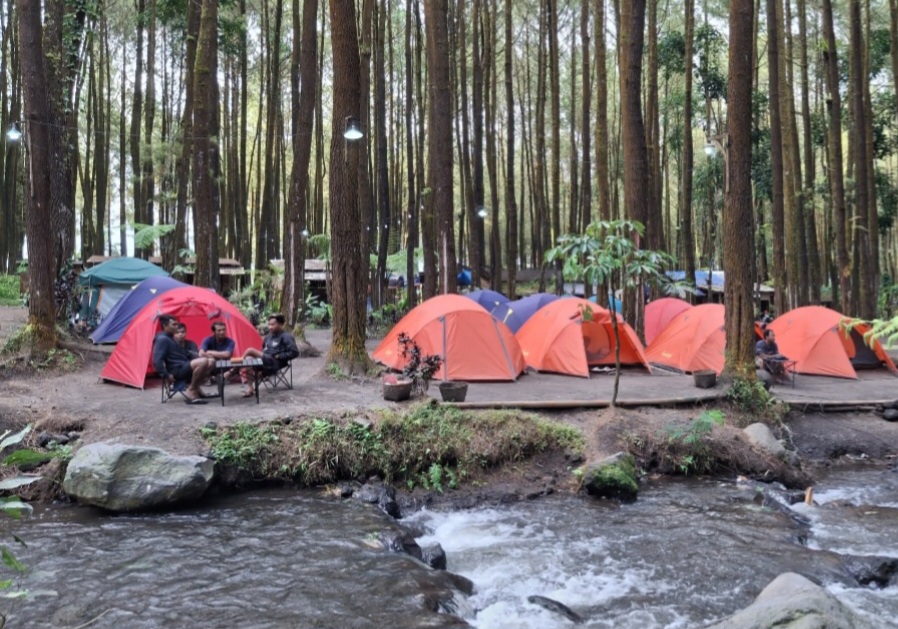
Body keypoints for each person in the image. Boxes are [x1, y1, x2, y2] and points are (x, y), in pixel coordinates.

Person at [152, 315, 215, 404]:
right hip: (176, 370)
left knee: (211, 361)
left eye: (176, 324)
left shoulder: (172, 338)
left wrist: (201, 355)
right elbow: (157, 360)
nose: (176, 326)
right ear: (165, 326)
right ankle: (191, 390)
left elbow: (185, 353)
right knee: (203, 362)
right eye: (174, 324)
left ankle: (195, 388)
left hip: (183, 365)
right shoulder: (162, 339)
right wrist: (166, 375)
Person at [240, 314, 300, 397]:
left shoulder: (286, 337)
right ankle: (250, 388)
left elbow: (295, 352)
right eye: (269, 324)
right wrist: (258, 355)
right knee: (248, 359)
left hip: (276, 362)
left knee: (250, 350)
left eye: (273, 324)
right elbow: (263, 349)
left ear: (280, 324)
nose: (270, 327)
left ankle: (232, 370)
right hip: (265, 360)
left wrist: (279, 356)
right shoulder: (268, 337)